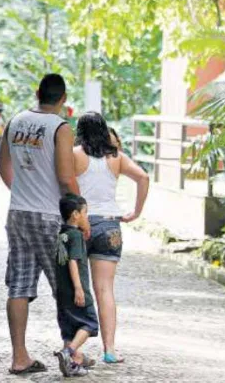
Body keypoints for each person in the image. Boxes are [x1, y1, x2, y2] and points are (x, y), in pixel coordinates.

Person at [0, 73, 81, 375]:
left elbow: (2, 165)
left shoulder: (15, 121)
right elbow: (66, 177)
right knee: (67, 286)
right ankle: (72, 354)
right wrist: (80, 213)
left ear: (37, 93)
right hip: (49, 216)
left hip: (18, 212)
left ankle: (19, 357)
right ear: (64, 99)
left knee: (19, 285)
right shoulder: (60, 127)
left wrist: (21, 192)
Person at [74, 112, 149, 364]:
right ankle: (110, 350)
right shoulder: (116, 158)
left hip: (79, 224)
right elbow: (143, 177)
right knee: (105, 290)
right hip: (109, 225)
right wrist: (136, 212)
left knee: (78, 288)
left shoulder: (75, 155)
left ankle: (73, 347)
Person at [54, 194, 97, 378]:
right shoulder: (76, 236)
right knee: (89, 323)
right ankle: (69, 352)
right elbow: (73, 262)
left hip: (62, 293)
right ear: (75, 215)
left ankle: (71, 364)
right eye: (85, 213)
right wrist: (79, 288)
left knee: (69, 330)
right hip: (75, 291)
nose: (87, 217)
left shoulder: (61, 235)